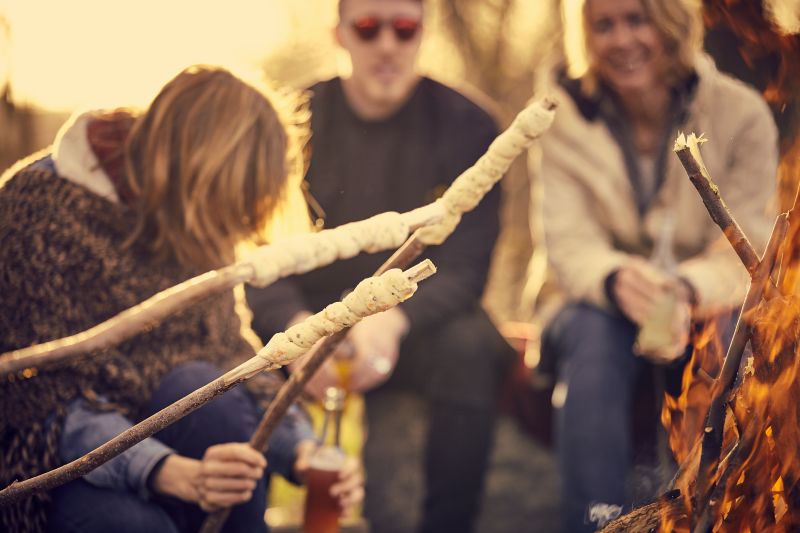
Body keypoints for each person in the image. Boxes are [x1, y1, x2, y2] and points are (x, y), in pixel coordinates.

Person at [0, 66, 363, 533]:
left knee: (210, 390)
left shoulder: (193, 218)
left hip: (160, 438)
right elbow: (43, 405)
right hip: (50, 464)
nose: (228, 231)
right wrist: (164, 470)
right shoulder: (39, 211)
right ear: (196, 172)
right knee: (136, 525)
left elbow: (231, 357)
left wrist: (302, 450)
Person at [245, 1, 516, 531]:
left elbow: (467, 264)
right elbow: (256, 250)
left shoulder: (470, 125)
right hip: (300, 321)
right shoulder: (290, 117)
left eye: (404, 27)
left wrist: (391, 320)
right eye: (368, 28)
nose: (387, 44)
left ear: (423, 32)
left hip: (411, 320)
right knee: (223, 369)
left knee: (472, 346)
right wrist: (297, 332)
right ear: (339, 33)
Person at [533, 0, 779, 531]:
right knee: (593, 334)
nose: (621, 39)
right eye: (603, 25)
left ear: (672, 22)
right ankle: (594, 522)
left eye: (637, 19)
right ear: (585, 37)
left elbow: (751, 246)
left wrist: (685, 290)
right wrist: (618, 279)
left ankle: (715, 514)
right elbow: (569, 244)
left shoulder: (741, 115)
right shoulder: (557, 118)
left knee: (729, 339)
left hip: (702, 305)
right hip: (589, 304)